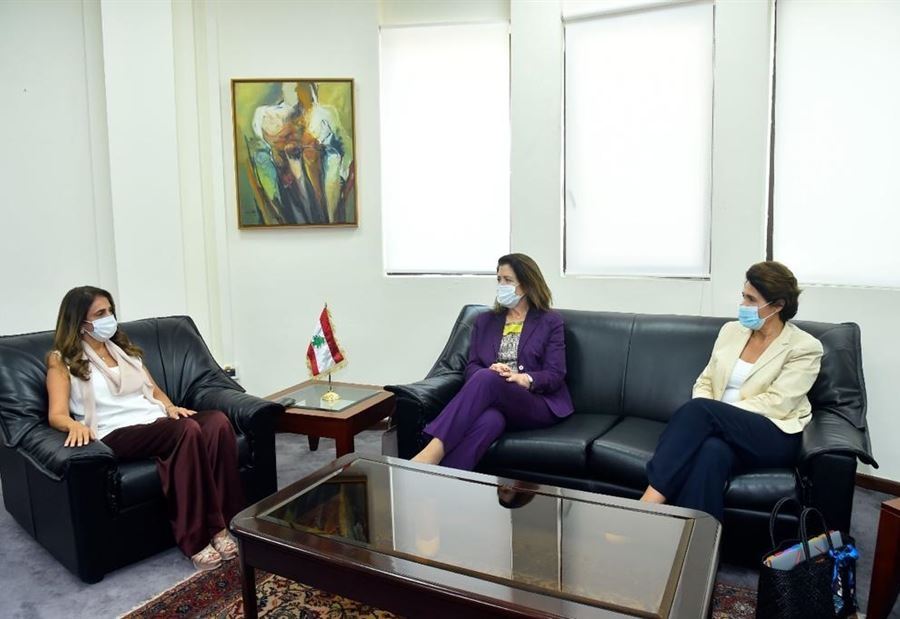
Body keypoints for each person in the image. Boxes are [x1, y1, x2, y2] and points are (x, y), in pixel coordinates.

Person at [45, 286, 244, 571]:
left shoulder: (124, 351)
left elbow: (154, 390)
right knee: (186, 430)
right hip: (114, 432)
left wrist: (170, 407)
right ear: (79, 321)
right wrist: (72, 425)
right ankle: (198, 538)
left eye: (110, 311)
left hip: (155, 423)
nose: (109, 318)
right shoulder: (61, 360)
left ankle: (225, 522)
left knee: (217, 423)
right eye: (100, 313)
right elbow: (56, 414)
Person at [640, 261, 823, 523]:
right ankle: (695, 540)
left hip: (772, 433)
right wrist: (713, 418)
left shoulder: (804, 347)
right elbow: (705, 381)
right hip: (720, 430)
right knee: (711, 452)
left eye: (751, 299)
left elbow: (778, 403)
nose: (743, 304)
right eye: (743, 296)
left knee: (700, 413)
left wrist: (717, 416)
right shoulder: (731, 331)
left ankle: (647, 506)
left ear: (778, 305)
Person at [412, 253, 574, 470]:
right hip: (494, 398)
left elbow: (555, 374)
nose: (501, 285)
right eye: (499, 280)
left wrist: (524, 379)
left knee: (488, 378)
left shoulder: (550, 321)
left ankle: (430, 452)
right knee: (491, 420)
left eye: (508, 280)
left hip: (535, 402)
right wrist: (490, 369)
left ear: (526, 284)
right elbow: (472, 367)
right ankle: (442, 480)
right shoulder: (485, 321)